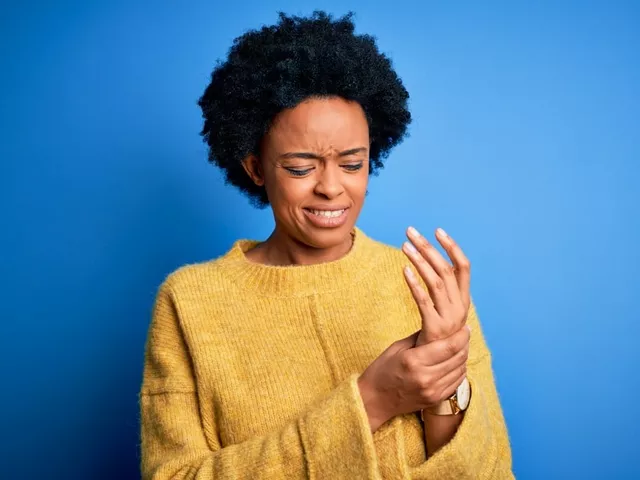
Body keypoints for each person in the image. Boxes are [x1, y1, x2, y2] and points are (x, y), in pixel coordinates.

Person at [139, 11, 513, 479]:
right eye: (301, 168)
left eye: (353, 164)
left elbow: (490, 472)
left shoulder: (429, 287)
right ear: (255, 168)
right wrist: (373, 400)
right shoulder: (190, 302)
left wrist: (444, 386)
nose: (332, 188)